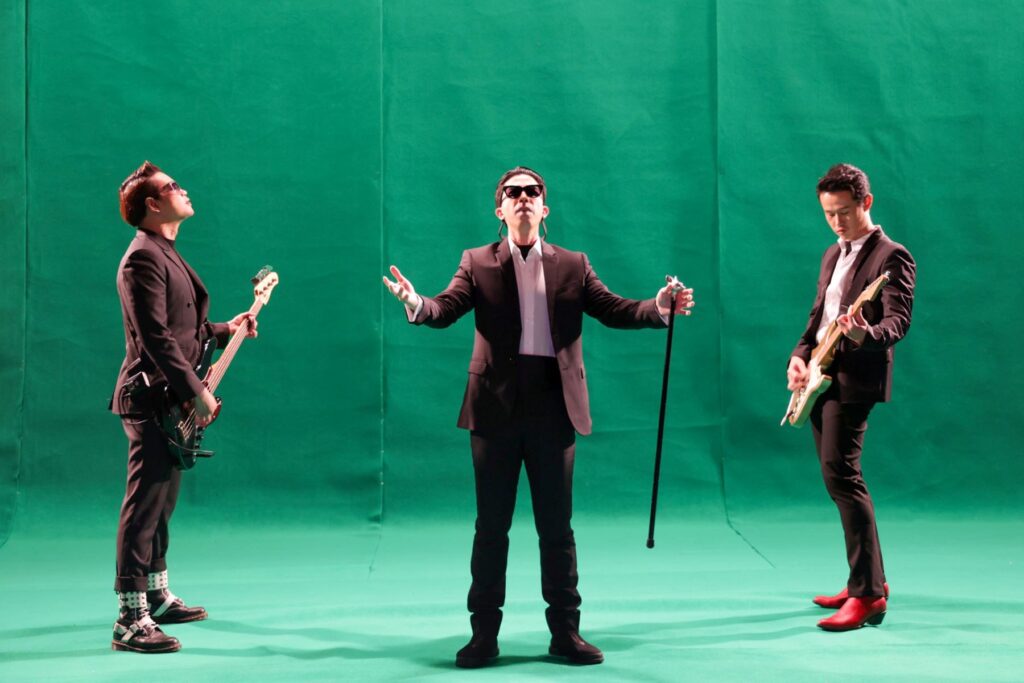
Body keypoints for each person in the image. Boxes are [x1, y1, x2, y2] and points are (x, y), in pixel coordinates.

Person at [383, 166, 693, 667]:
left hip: (554, 406)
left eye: (533, 191)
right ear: (500, 209)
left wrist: (658, 307)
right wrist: (416, 303)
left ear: (544, 208)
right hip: (494, 410)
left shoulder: (573, 264)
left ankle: (565, 633)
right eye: (514, 192)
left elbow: (613, 308)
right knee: (491, 527)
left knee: (557, 527)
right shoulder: (476, 261)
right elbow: (446, 307)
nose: (523, 197)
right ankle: (483, 636)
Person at [109, 161, 256, 653]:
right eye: (172, 187)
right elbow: (155, 339)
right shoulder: (141, 258)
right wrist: (197, 390)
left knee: (163, 503)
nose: (184, 189)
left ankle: (156, 595)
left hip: (170, 400)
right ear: (153, 204)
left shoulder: (164, 252)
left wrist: (227, 329)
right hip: (151, 399)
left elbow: (183, 332)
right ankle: (130, 618)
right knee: (143, 504)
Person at [786, 163, 915, 631]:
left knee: (843, 476)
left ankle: (869, 596)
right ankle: (867, 578)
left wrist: (865, 334)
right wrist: (799, 356)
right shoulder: (831, 254)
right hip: (819, 376)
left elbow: (898, 322)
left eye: (844, 211)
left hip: (855, 379)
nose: (837, 222)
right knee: (837, 478)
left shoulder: (892, 256)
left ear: (867, 202)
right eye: (828, 213)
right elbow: (818, 316)